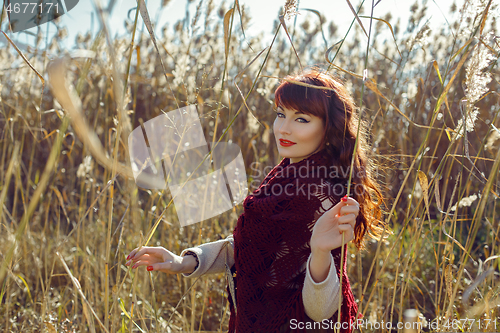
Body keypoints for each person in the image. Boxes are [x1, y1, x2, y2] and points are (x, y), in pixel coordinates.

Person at [126, 67, 386, 332]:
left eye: (302, 120)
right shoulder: (285, 176)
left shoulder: (319, 195)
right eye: (281, 115)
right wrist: (185, 261)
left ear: (328, 128)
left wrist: (320, 252)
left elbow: (321, 311)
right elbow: (255, 247)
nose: (283, 129)